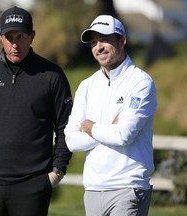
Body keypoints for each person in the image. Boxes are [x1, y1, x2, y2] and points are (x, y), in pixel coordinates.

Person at [0, 6, 73, 216]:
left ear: (32, 36)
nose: (15, 43)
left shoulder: (52, 75)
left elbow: (67, 127)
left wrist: (56, 172)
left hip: (33, 184)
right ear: (1, 37)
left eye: (21, 36)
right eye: (9, 36)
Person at [64, 15, 157, 216]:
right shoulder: (86, 85)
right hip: (93, 189)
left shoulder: (141, 82)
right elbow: (71, 140)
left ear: (122, 41)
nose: (99, 47)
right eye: (94, 42)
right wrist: (108, 127)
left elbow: (124, 135)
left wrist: (89, 127)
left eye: (105, 39)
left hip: (128, 186)